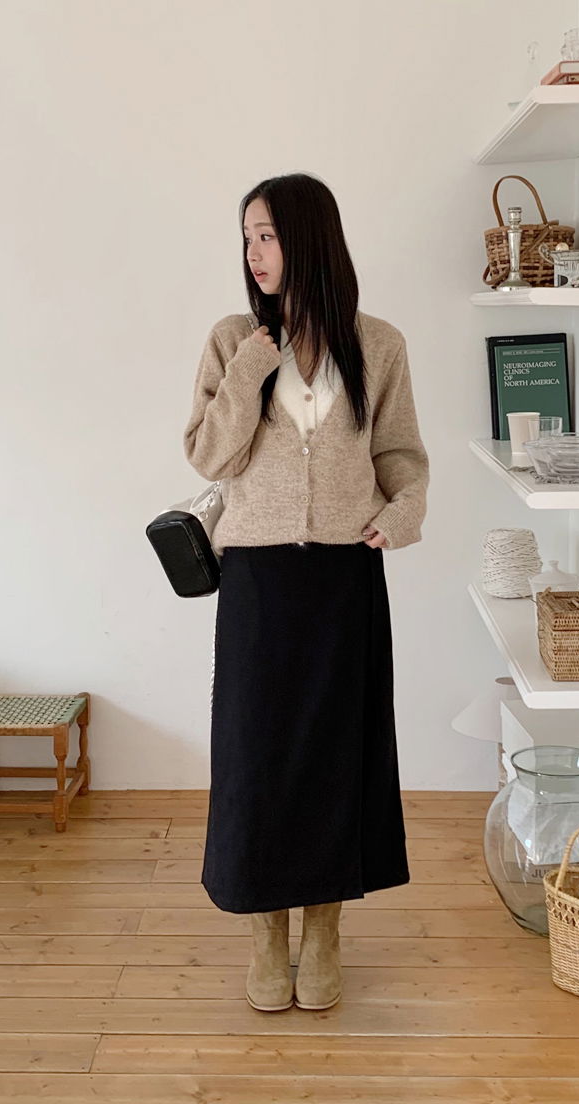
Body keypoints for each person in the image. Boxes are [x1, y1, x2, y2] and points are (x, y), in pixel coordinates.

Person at [183, 172, 429, 1013]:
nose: (254, 253)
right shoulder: (232, 340)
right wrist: (254, 363)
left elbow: (402, 457)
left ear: (309, 238)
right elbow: (209, 455)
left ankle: (323, 932)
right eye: (247, 237)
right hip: (258, 580)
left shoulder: (379, 344)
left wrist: (400, 517)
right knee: (256, 759)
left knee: (335, 758)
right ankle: (265, 934)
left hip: (344, 578)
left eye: (268, 235)